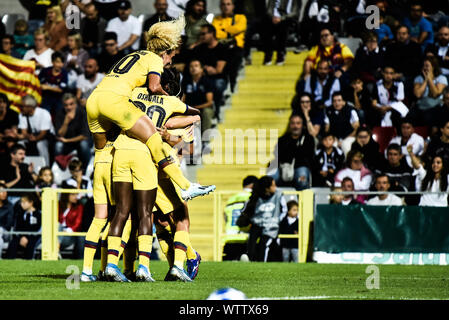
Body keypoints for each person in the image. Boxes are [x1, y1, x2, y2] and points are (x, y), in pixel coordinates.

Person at [86, 16, 214, 215]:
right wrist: (166, 97)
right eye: (170, 58)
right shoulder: (154, 59)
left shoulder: (134, 55)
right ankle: (186, 186)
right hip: (113, 102)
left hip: (94, 99)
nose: (169, 63)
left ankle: (102, 192)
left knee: (102, 152)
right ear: (165, 52)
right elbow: (154, 87)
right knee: (153, 138)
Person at [106, 68, 203, 282]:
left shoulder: (133, 95)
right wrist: (172, 134)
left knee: (140, 219)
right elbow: (189, 145)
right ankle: (183, 260)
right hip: (159, 169)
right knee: (180, 218)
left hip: (126, 159)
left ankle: (117, 267)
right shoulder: (173, 106)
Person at [241, 176, 287, 262]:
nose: (275, 187)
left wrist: (277, 220)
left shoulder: (278, 195)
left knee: (264, 244)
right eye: (273, 185)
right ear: (267, 188)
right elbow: (246, 210)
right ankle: (249, 260)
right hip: (257, 224)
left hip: (271, 226)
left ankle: (261, 263)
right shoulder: (255, 196)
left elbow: (284, 210)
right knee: (251, 242)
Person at [190, 24, 228, 119]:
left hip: (217, 79)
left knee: (216, 85)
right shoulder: (200, 48)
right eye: (200, 34)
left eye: (203, 34)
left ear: (212, 34)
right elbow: (195, 65)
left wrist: (204, 69)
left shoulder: (221, 48)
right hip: (202, 78)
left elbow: (218, 70)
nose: (201, 37)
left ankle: (217, 112)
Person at [270, 114, 315, 191]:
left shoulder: (308, 139)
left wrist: (291, 152)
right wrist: (297, 150)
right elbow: (278, 155)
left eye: (298, 123)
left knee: (302, 179)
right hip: (284, 167)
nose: (295, 126)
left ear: (302, 125)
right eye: (293, 123)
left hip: (301, 166)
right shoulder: (282, 139)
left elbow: (308, 155)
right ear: (290, 125)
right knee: (271, 178)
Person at [212, 0, 247, 92]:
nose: (226, 6)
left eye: (228, 4)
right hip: (222, 47)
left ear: (233, 6)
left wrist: (223, 29)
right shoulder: (216, 19)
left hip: (236, 47)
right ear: (220, 6)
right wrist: (232, 31)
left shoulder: (241, 17)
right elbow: (216, 33)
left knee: (232, 60)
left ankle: (231, 84)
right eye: (223, 4)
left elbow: (240, 28)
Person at [222, 175, 257, 261]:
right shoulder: (253, 197)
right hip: (245, 238)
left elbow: (225, 216)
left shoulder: (232, 198)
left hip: (230, 237)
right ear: (253, 185)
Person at [53, 93, 91, 172]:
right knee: (58, 145)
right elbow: (59, 134)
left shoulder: (82, 113)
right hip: (66, 143)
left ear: (76, 104)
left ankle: (83, 170)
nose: (69, 107)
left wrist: (67, 140)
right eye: (66, 105)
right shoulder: (60, 113)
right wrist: (66, 122)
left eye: (71, 104)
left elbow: (84, 135)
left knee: (84, 144)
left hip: (79, 141)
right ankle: (61, 168)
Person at [17, 95, 54, 166]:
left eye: (22, 106)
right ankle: (21, 165)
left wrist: (35, 138)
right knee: (20, 143)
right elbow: (23, 132)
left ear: (30, 107)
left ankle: (46, 166)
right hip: (31, 136)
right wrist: (29, 136)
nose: (21, 108)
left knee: (40, 144)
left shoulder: (44, 113)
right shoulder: (22, 115)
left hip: (46, 137)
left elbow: (44, 133)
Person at [261, 0, 300, 66]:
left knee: (283, 26)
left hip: (288, 20)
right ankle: (268, 55)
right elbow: (269, 10)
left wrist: (281, 18)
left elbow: (295, 13)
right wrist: (272, 17)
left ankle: (280, 55)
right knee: (266, 25)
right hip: (274, 19)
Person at [181, 59, 214, 134]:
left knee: (207, 112)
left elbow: (209, 102)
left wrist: (196, 108)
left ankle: (206, 140)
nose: (193, 68)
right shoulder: (185, 82)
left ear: (202, 69)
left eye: (196, 66)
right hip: (189, 108)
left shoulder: (207, 82)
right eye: (191, 66)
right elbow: (182, 100)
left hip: (202, 108)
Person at [412, 56, 448, 125]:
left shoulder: (441, 78)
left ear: (433, 67)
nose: (425, 68)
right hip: (421, 105)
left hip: (435, 105)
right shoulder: (418, 78)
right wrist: (426, 80)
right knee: (411, 115)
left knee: (428, 116)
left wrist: (430, 79)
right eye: (423, 66)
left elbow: (435, 94)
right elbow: (418, 94)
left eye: (427, 66)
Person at [6, 193, 41, 259]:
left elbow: (37, 228)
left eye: (24, 202)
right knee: (13, 243)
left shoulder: (38, 215)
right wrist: (22, 237)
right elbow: (17, 228)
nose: (22, 204)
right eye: (21, 202)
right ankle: (9, 261)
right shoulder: (20, 214)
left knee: (31, 244)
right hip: (21, 236)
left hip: (33, 237)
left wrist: (27, 237)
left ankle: (29, 262)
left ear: (31, 203)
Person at [58, 188, 84, 258]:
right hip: (58, 232)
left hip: (70, 234)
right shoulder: (59, 205)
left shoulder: (79, 207)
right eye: (73, 194)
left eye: (76, 194)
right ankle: (56, 251)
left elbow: (78, 222)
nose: (76, 197)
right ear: (66, 195)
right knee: (58, 225)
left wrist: (68, 230)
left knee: (82, 237)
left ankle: (55, 251)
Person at [0, 182, 14, 255]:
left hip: (5, 232)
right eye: (1, 191)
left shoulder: (9, 206)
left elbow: (9, 224)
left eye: (5, 191)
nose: (4, 193)